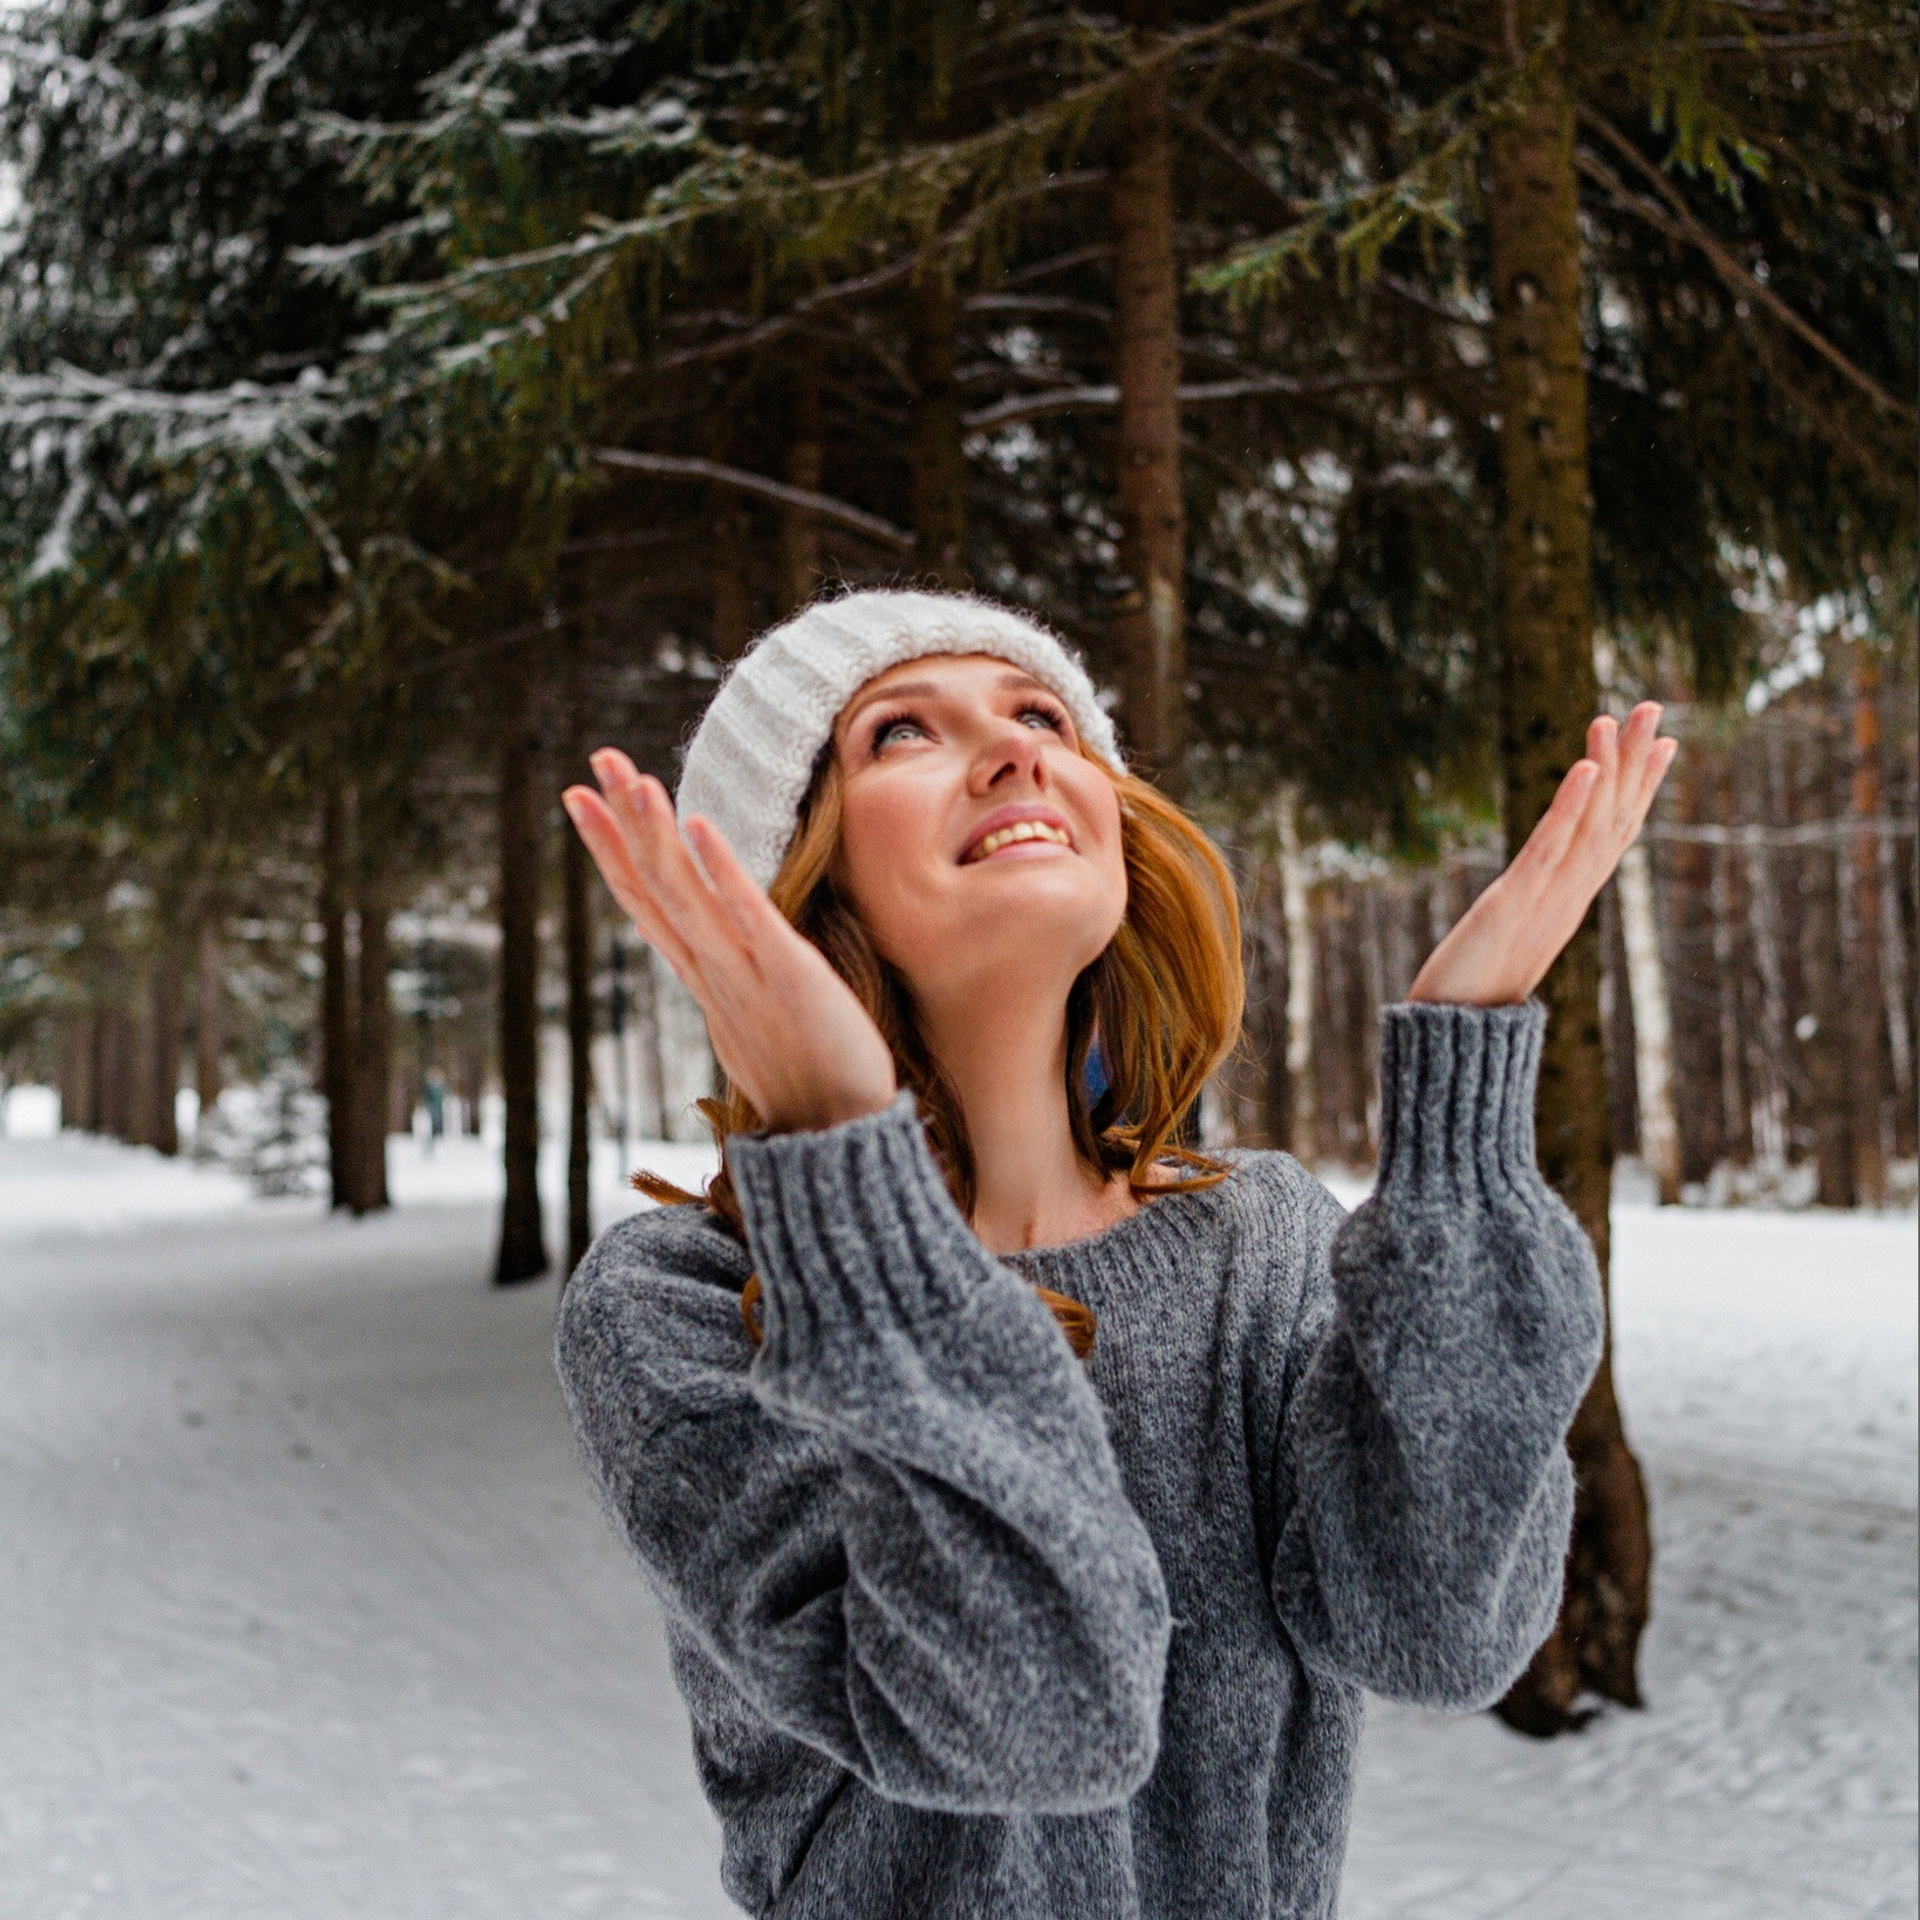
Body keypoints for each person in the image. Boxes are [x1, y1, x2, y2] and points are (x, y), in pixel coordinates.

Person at [554, 589, 1676, 1920]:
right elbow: (1034, 1723)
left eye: (1041, 716)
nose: (1019, 750)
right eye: (901, 733)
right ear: (787, 881)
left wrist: (1464, 1099)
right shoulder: (682, 1309)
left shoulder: (1256, 1243)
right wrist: (845, 1180)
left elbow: (1439, 1630)